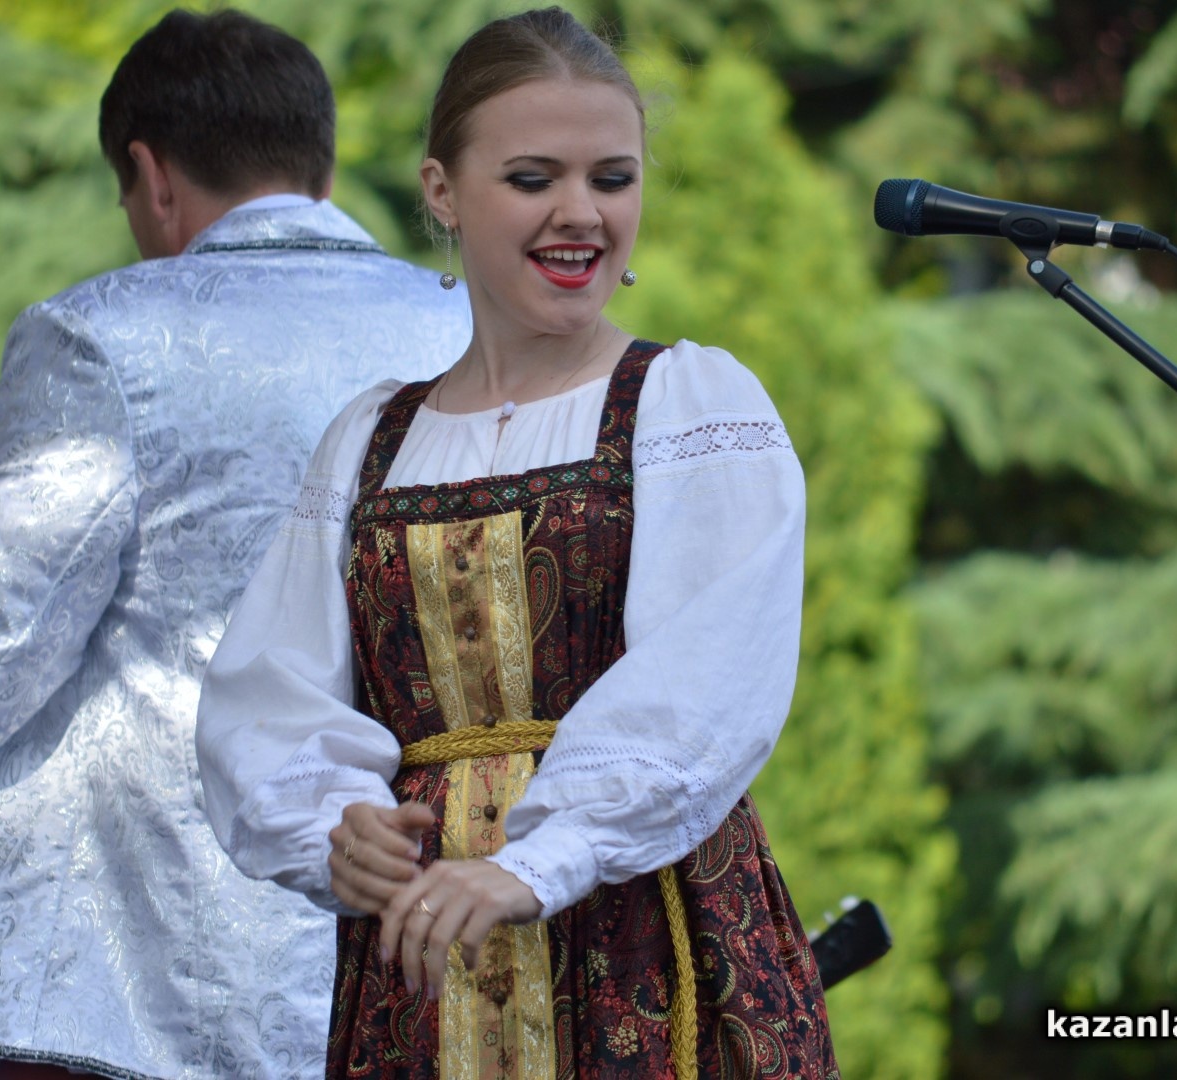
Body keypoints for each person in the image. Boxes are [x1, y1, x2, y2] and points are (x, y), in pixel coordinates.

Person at [0, 10, 469, 1080]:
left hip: (138, 1009)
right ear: (320, 158)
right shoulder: (469, 331)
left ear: (150, 175)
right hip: (417, 982)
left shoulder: (97, 337)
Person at [196, 7, 839, 1077]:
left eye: (612, 179)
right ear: (442, 191)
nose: (581, 213)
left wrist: (547, 858)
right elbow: (270, 691)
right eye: (534, 178)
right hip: (422, 964)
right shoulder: (369, 438)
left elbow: (708, 680)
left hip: (640, 934)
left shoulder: (689, 404)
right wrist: (336, 827)